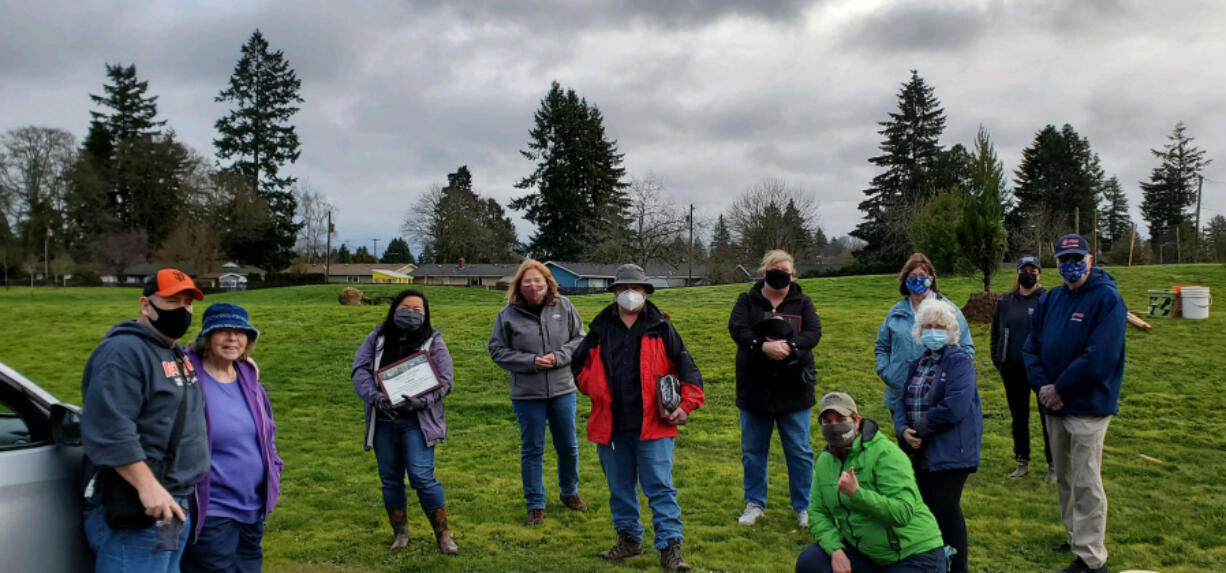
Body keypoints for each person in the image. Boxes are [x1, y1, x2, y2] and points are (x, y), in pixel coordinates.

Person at [571, 264, 704, 571]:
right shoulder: (600, 329)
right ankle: (628, 539)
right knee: (619, 488)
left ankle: (671, 547)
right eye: (623, 289)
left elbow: (689, 371)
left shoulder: (662, 328)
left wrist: (686, 405)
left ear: (646, 292)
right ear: (615, 292)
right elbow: (578, 367)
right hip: (611, 425)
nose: (630, 294)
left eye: (637, 289)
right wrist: (595, 387)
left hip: (654, 426)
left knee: (660, 487)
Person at [80, 268, 211, 572]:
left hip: (171, 505)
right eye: (172, 300)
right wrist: (147, 486)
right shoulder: (122, 353)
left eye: (189, 302)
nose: (183, 310)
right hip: (138, 506)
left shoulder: (172, 352)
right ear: (145, 305)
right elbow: (110, 429)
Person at [1023, 234, 1126, 573]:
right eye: (1064, 259)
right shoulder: (1051, 300)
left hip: (1088, 404)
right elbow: (1031, 348)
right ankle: (1075, 538)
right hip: (1053, 404)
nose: (1071, 265)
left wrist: (1061, 387)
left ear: (1090, 260)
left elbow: (1100, 356)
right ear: (1055, 262)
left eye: (1077, 258)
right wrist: (1042, 387)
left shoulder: (1107, 299)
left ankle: (1092, 558)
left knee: (1085, 480)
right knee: (1065, 477)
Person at [351, 289, 458, 555]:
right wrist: (376, 398)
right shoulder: (376, 338)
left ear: (426, 315)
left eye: (417, 311)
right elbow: (359, 371)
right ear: (395, 308)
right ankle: (400, 533)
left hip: (418, 423)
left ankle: (443, 534)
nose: (411, 314)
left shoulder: (434, 341)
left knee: (422, 476)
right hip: (384, 421)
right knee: (390, 480)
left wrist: (421, 402)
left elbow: (445, 381)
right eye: (406, 308)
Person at [796, 392, 946, 573]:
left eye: (841, 419)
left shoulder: (886, 454)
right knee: (810, 564)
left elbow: (902, 513)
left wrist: (858, 494)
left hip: (914, 552)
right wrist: (835, 549)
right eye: (827, 422)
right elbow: (817, 512)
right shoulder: (825, 461)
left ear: (857, 420)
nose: (834, 427)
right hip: (864, 552)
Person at [182, 303, 283, 573]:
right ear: (207, 337)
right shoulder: (188, 378)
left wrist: (274, 469)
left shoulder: (249, 380)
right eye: (222, 331)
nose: (232, 338)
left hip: (252, 506)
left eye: (240, 332)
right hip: (212, 508)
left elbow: (267, 433)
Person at [488, 259, 589, 525]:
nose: (534, 286)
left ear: (548, 283)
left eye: (538, 281)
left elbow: (580, 338)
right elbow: (497, 351)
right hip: (527, 393)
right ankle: (535, 503)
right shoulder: (506, 315)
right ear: (519, 286)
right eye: (527, 281)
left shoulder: (564, 307)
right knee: (532, 448)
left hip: (562, 389)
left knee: (568, 446)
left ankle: (569, 492)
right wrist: (530, 362)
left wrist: (559, 357)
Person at [728, 250, 822, 527]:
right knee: (753, 450)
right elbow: (737, 329)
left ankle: (805, 506)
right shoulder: (746, 301)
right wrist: (763, 346)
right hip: (754, 389)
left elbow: (813, 333)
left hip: (794, 389)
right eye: (774, 268)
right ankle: (755, 503)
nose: (780, 273)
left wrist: (789, 347)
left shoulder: (803, 302)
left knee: (799, 449)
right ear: (764, 271)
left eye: (785, 269)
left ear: (793, 275)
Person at [892, 298, 983, 573]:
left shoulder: (959, 361)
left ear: (951, 330)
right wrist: (903, 430)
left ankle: (957, 568)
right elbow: (901, 401)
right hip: (920, 451)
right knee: (928, 511)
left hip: (950, 451)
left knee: (947, 510)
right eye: (928, 326)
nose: (933, 331)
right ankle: (934, 564)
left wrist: (920, 428)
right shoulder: (918, 363)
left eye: (939, 326)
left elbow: (955, 406)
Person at [875, 253, 975, 414]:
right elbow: (882, 345)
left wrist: (952, 379)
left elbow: (966, 347)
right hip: (899, 393)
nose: (917, 280)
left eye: (922, 275)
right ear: (905, 280)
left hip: (938, 395)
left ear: (932, 278)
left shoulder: (949, 310)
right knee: (905, 435)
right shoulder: (896, 312)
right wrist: (887, 373)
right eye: (912, 276)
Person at [990, 255, 1054, 482]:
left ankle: (1053, 464)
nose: (1028, 273)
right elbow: (996, 332)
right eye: (1024, 269)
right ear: (1017, 273)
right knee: (1018, 418)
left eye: (1033, 270)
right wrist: (998, 359)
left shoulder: (1047, 299)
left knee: (1048, 418)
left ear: (1039, 274)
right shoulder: (1005, 301)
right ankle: (1022, 461)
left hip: (1040, 370)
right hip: (1013, 369)